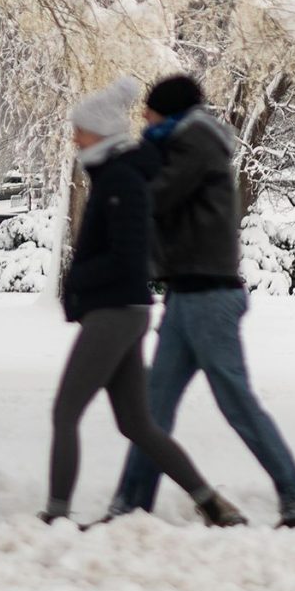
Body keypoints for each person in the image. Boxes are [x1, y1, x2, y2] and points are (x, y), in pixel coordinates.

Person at [106, 74, 295, 529]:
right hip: (187, 295)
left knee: (236, 405)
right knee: (154, 409)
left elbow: (156, 198)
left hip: (208, 297)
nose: (144, 116)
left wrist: (127, 167)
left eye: (150, 109)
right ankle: (130, 505)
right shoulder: (184, 142)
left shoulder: (197, 143)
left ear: (169, 112)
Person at [46, 76, 243, 528]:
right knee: (137, 424)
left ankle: (55, 514)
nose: (74, 137)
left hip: (116, 311)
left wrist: (79, 281)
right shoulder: (115, 175)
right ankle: (213, 503)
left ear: (101, 133)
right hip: (123, 309)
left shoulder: (121, 180)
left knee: (65, 410)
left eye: (80, 129)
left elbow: (127, 254)